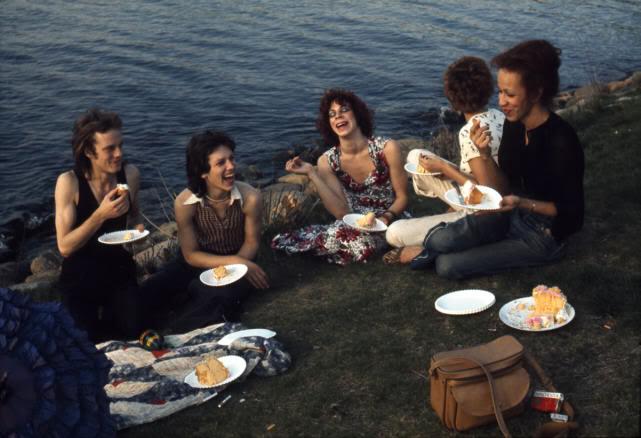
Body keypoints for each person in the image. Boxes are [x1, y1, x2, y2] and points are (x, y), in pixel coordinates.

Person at [409, 40, 584, 279]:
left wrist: (522, 203)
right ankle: (435, 244)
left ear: (536, 93)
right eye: (500, 91)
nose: (501, 102)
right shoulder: (513, 125)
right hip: (509, 214)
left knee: (448, 266)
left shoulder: (561, 140)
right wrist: (484, 155)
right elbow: (500, 188)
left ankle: (434, 249)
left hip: (544, 234)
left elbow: (572, 216)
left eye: (510, 94)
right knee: (442, 239)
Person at [139, 131, 268, 332]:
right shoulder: (185, 202)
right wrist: (238, 263)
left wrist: (238, 266)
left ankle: (177, 335)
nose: (231, 166)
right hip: (196, 261)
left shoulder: (250, 197)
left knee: (217, 295)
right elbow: (190, 255)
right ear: (203, 171)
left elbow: (251, 243)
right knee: (151, 289)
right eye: (221, 163)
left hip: (238, 259)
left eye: (231, 159)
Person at [385, 56, 506, 262]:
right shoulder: (498, 115)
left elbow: (487, 195)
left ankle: (443, 229)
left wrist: (443, 167)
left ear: (454, 101)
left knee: (393, 232)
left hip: (482, 210)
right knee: (416, 156)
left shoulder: (470, 132)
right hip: (483, 194)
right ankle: (451, 213)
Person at [271, 89, 408, 265]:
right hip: (353, 223)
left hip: (391, 218)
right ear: (329, 123)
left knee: (364, 241)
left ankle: (325, 250)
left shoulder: (387, 148)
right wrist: (312, 174)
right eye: (332, 114)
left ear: (357, 114)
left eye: (344, 110)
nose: (338, 116)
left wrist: (385, 218)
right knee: (344, 236)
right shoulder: (327, 161)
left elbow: (403, 197)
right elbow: (341, 212)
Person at [55, 108, 144, 342]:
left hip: (118, 268)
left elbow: (135, 219)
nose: (119, 154)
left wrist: (138, 231)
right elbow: (64, 247)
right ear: (88, 151)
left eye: (120, 146)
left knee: (132, 334)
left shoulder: (130, 175)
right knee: (84, 342)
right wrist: (100, 215)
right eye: (109, 149)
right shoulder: (69, 183)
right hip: (80, 275)